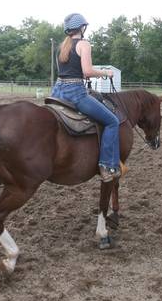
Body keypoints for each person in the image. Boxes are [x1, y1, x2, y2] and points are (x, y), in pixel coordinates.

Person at [50, 13, 120, 183]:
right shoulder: (84, 44)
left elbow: (71, 71)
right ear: (82, 28)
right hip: (75, 93)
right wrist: (105, 73)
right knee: (112, 122)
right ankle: (106, 165)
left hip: (57, 91)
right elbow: (87, 71)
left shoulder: (62, 47)